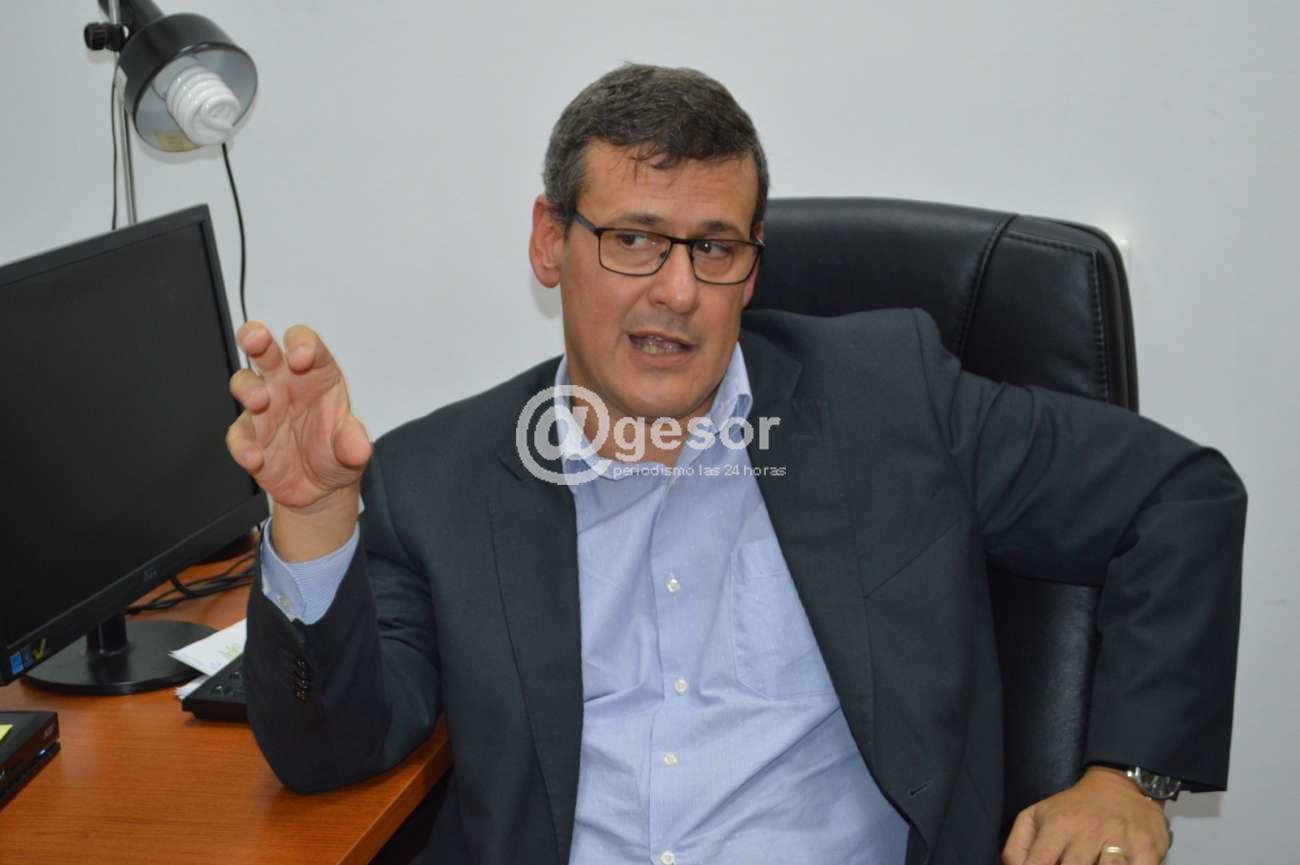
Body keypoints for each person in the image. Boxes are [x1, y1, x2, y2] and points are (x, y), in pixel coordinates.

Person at [226, 64, 1246, 865]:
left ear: (753, 267)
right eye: (634, 239)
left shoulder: (892, 399)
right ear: (549, 242)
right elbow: (331, 752)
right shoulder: (436, 478)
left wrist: (1129, 776)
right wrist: (311, 522)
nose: (677, 291)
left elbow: (1176, 495)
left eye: (715, 249)